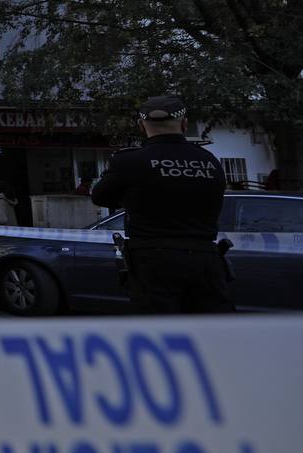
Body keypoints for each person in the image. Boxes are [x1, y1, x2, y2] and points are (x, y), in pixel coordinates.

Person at [91, 95, 233, 314]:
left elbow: (100, 197)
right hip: (206, 260)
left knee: (160, 335)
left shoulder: (129, 161)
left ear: (141, 125)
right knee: (213, 332)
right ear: (184, 124)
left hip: (153, 263)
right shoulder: (209, 160)